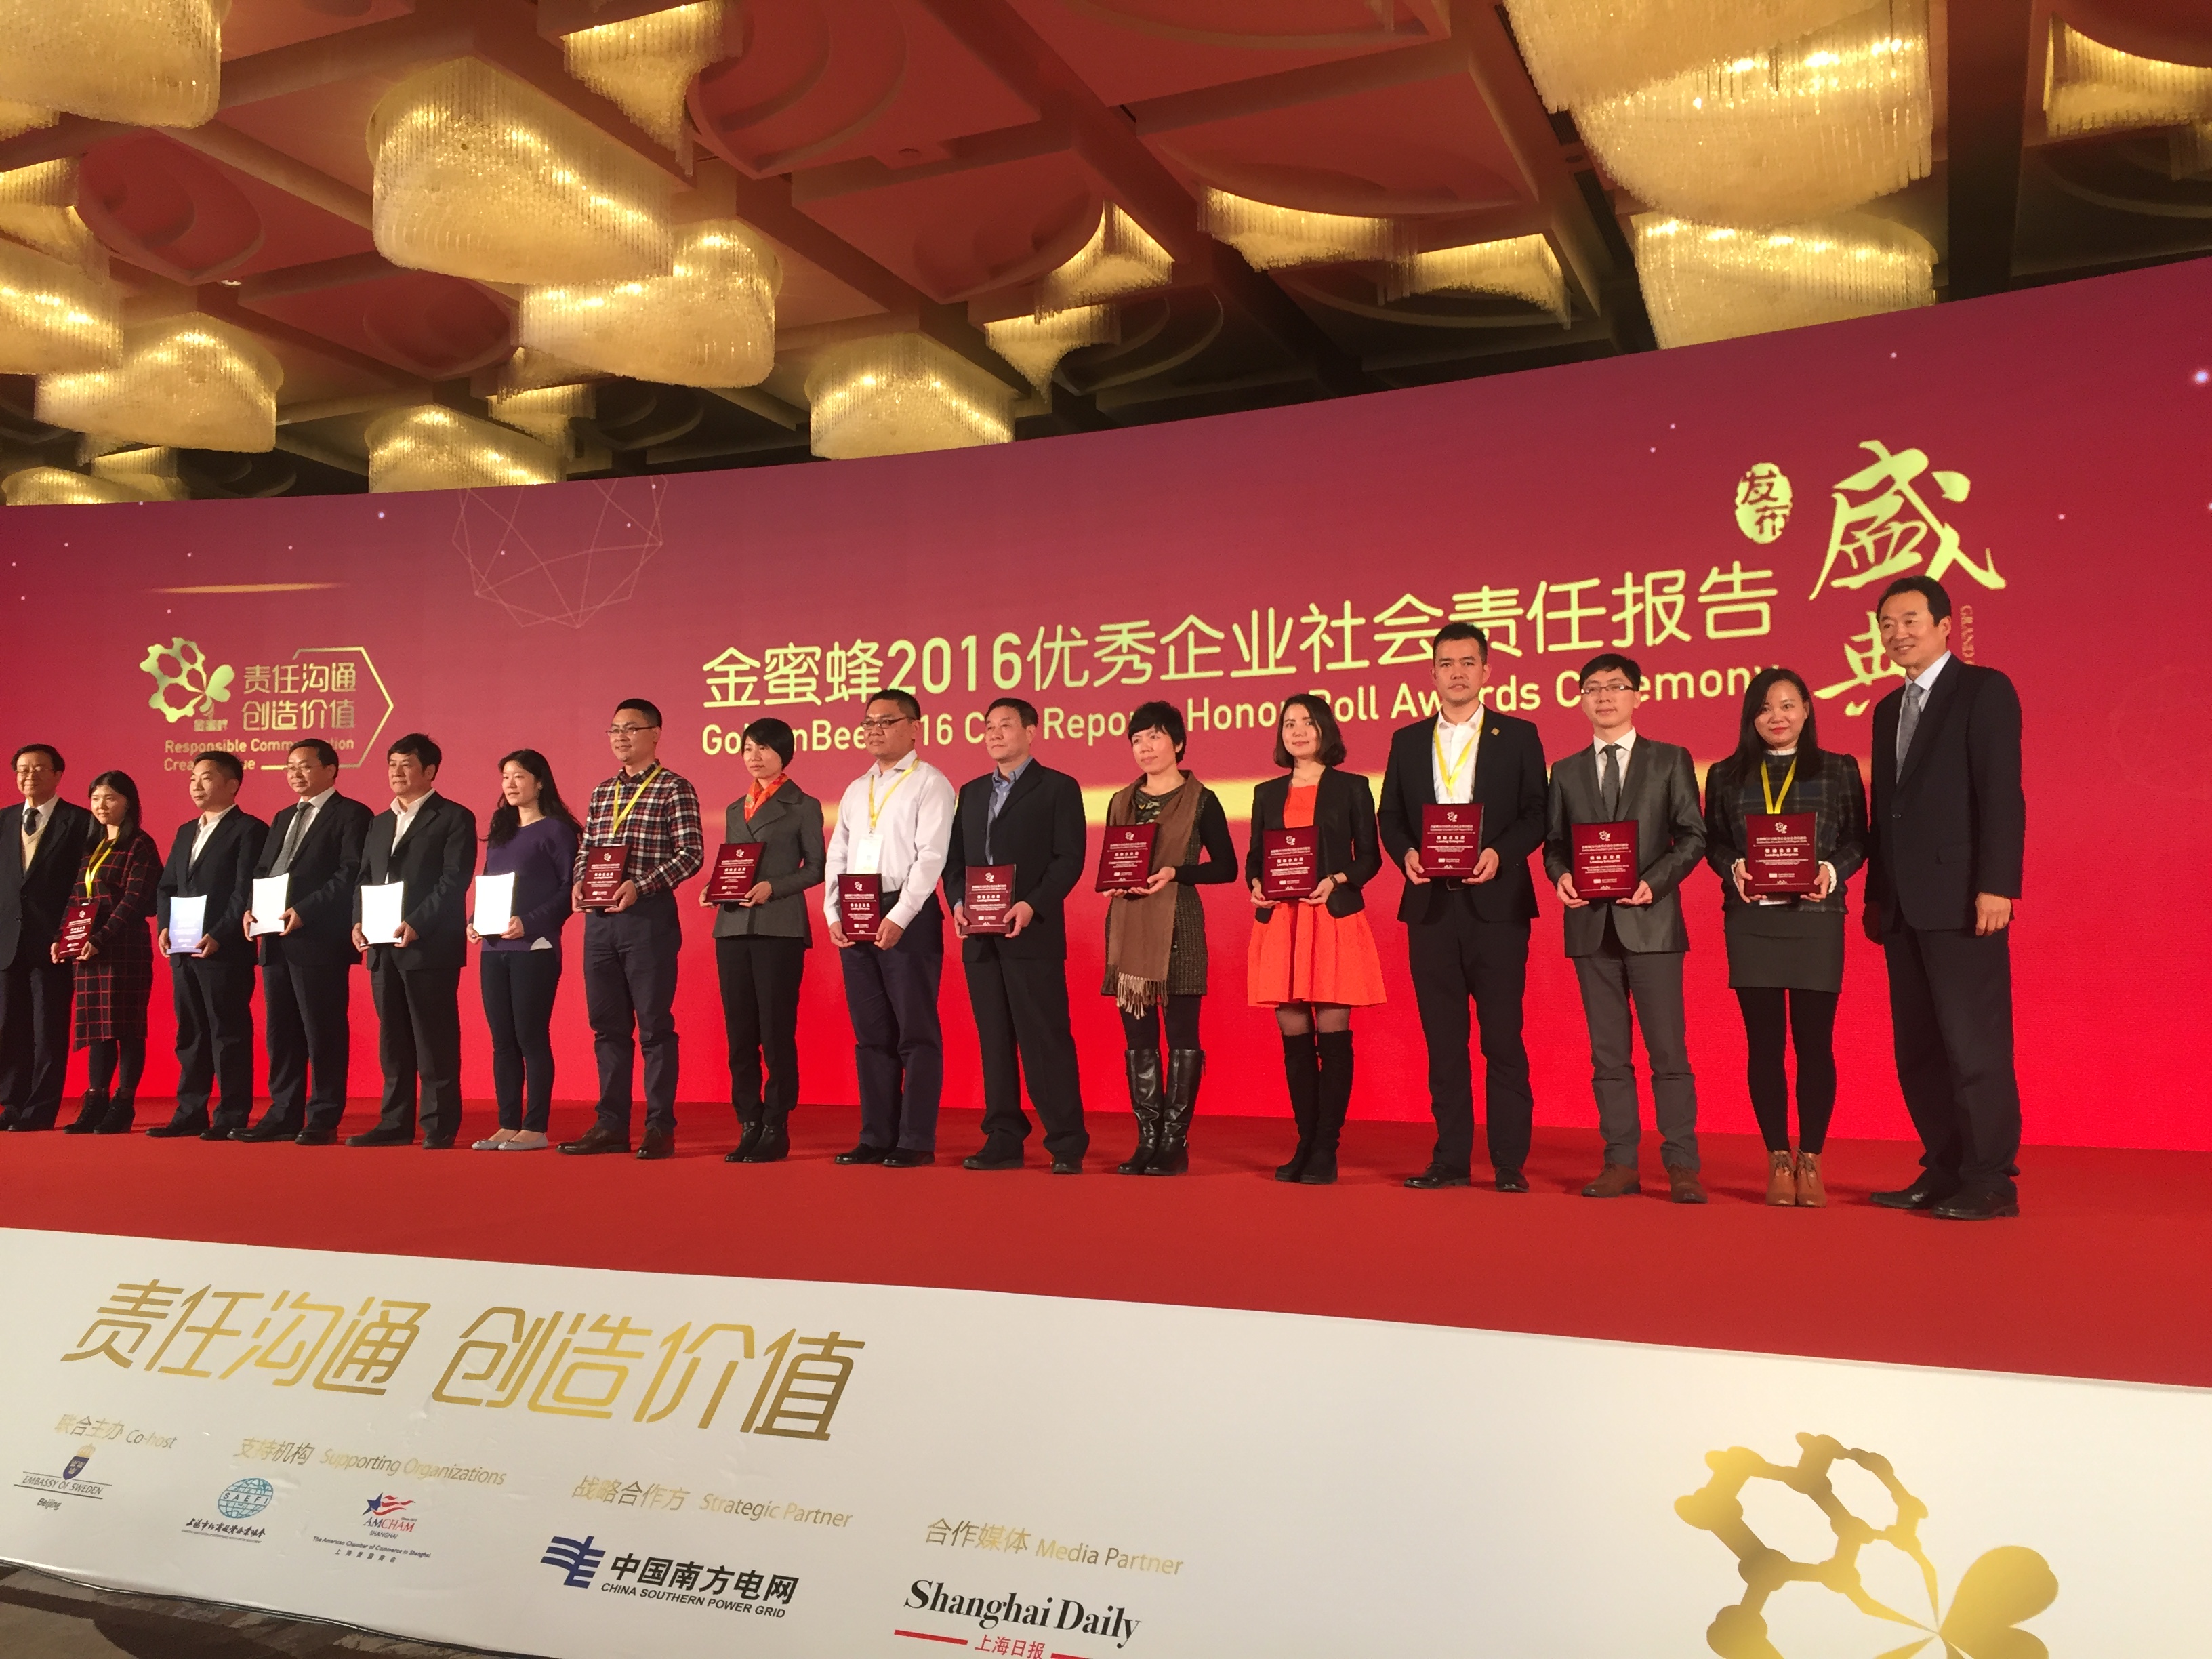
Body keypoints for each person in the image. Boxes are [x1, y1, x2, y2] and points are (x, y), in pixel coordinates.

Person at [1863, 575, 2026, 1221]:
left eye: (1909, 620)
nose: (1897, 633)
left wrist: (1998, 885)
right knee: (1919, 1049)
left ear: (1942, 626)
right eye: (1887, 624)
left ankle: (1990, 1179)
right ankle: (1944, 1167)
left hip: (1964, 902)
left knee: (1973, 1045)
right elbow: (1886, 812)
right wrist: (1877, 895)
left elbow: (2002, 794)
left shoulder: (1984, 690)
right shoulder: (1886, 710)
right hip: (1902, 908)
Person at [1376, 623, 1549, 1193]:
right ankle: (1449, 1158)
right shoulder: (1407, 740)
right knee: (1444, 1042)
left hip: (1497, 908)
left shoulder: (1518, 735)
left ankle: (1508, 1161)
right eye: (1446, 663)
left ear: (1486, 671)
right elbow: (1390, 816)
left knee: (1502, 1037)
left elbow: (1537, 813)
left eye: (1467, 662)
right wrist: (1406, 853)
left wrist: (1500, 853)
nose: (1457, 672)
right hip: (1430, 908)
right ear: (1432, 673)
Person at [1542, 654, 1709, 1203]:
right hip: (1591, 927)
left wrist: (1653, 883)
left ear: (1639, 694)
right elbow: (1555, 844)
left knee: (1669, 1053)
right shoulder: (1565, 771)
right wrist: (1562, 876)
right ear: (1581, 700)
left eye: (1616, 687)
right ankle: (1619, 1162)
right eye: (1593, 688)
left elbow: (1693, 835)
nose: (1604, 697)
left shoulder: (1669, 760)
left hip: (1651, 923)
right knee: (1608, 1056)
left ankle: (1682, 1164)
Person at [1703, 670, 1868, 1207]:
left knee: (1815, 1043)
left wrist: (1832, 870)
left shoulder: (1838, 769)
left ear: (1806, 711)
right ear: (1751, 717)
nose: (1777, 716)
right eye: (1765, 708)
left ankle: (1811, 1157)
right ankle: (1778, 1156)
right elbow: (1714, 843)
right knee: (1765, 1045)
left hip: (1816, 919)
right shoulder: (1726, 774)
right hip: (1752, 923)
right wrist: (1734, 868)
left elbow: (1858, 839)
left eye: (1788, 705)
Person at [945, 698, 1089, 1174]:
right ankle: (1003, 1137)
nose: (994, 733)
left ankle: (1066, 1141)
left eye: (1005, 725)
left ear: (1031, 732)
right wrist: (958, 904)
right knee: (994, 1041)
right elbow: (954, 862)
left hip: (1032, 933)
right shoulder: (970, 792)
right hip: (980, 937)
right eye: (988, 726)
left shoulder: (1058, 787)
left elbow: (1069, 858)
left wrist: (1032, 905)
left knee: (1045, 1038)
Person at [1246, 695, 1385, 1185]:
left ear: (1326, 729)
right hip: (1281, 921)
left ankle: (1327, 1147)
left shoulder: (1352, 787)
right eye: (1289, 724)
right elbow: (1255, 858)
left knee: (1333, 1037)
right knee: (1295, 1043)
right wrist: (1256, 884)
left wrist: (1338, 879)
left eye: (1308, 722)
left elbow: (1370, 858)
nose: (1298, 731)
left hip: (1330, 917)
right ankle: (1305, 1143)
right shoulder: (1266, 793)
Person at [560, 699, 704, 1160]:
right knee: (607, 1028)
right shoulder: (603, 792)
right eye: (614, 730)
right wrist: (581, 881)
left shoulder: (674, 788)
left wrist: (639, 886)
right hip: (600, 924)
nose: (621, 737)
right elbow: (587, 848)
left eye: (631, 729)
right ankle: (611, 1124)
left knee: (655, 1027)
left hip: (647, 919)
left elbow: (691, 854)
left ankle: (660, 1126)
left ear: (656, 734)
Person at [1101, 700, 1235, 1176]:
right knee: (1138, 1037)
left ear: (1178, 743)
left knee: (1181, 1034)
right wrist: (1112, 882)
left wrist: (1176, 872)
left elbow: (1227, 867)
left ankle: (1174, 1143)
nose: (1145, 747)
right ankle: (1148, 1139)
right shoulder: (1121, 800)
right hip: (1129, 926)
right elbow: (1114, 859)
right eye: (1137, 740)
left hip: (1179, 924)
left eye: (1155, 737)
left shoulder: (1203, 800)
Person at [823, 691, 954, 1168]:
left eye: (886, 721)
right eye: (868, 722)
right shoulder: (857, 788)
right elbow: (838, 853)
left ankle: (915, 1139)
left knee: (915, 1034)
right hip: (856, 911)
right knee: (871, 1033)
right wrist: (833, 912)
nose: (874, 730)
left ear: (915, 727)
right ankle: (876, 1135)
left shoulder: (931, 783)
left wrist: (900, 915)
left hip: (907, 915)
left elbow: (932, 857)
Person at [237, 739, 372, 1145]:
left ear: (331, 770)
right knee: (281, 1031)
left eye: (305, 766)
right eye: (290, 767)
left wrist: (305, 911)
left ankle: (323, 1117)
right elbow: (265, 870)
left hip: (318, 939)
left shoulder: (352, 814)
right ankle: (283, 1112)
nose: (295, 774)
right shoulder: (283, 817)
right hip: (274, 936)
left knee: (322, 1030)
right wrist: (251, 908)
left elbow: (348, 874)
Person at [348, 734, 476, 1149]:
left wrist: (417, 923)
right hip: (381, 944)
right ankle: (395, 1122)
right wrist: (358, 920)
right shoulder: (380, 821)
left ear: (430, 771)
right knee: (393, 1040)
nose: (397, 772)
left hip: (427, 946)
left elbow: (453, 881)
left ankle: (439, 1125)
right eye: (392, 764)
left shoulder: (453, 817)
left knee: (434, 1038)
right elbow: (364, 877)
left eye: (406, 764)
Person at [706, 718, 823, 1165]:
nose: (754, 756)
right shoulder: (735, 809)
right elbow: (734, 865)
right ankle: (748, 1122)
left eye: (764, 748)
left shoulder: (803, 805)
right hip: (733, 928)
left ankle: (776, 1123)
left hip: (779, 927)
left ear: (784, 753)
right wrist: (714, 888)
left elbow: (817, 867)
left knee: (775, 1032)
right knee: (740, 1033)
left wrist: (775, 887)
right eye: (748, 748)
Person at [150, 752, 268, 1139]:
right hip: (183, 948)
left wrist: (220, 933)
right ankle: (190, 1111)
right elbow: (168, 886)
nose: (196, 785)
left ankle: (232, 1114)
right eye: (193, 778)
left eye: (206, 778)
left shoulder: (249, 829)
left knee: (227, 1032)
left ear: (232, 785)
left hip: (224, 951)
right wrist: (165, 927)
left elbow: (245, 892)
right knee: (191, 1033)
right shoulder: (186, 831)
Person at [469, 750, 580, 1151]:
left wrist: (529, 922)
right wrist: (474, 920)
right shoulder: (501, 829)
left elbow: (569, 891)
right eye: (505, 777)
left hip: (535, 947)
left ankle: (535, 1127)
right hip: (494, 948)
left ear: (540, 781)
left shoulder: (557, 831)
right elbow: (490, 883)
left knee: (531, 1036)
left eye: (518, 776)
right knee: (503, 1040)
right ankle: (507, 1123)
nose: (511, 784)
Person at [56, 771, 159, 1135]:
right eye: (96, 798)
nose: (102, 805)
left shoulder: (140, 844)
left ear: (128, 802)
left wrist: (100, 937)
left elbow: (134, 900)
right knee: (98, 1030)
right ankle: (95, 1101)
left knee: (126, 1028)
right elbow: (77, 897)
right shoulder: (92, 845)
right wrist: (62, 938)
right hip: (88, 951)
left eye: (111, 798)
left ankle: (123, 1103)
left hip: (124, 946)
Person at [1, 743, 94, 1130]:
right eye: (23, 769)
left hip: (54, 942)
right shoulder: (4, 819)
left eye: (39, 768)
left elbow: (86, 886)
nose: (30, 776)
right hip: (8, 941)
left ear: (58, 774)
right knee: (9, 1026)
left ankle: (40, 1110)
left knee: (48, 1029)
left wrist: (70, 934)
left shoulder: (80, 821)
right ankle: (11, 1104)